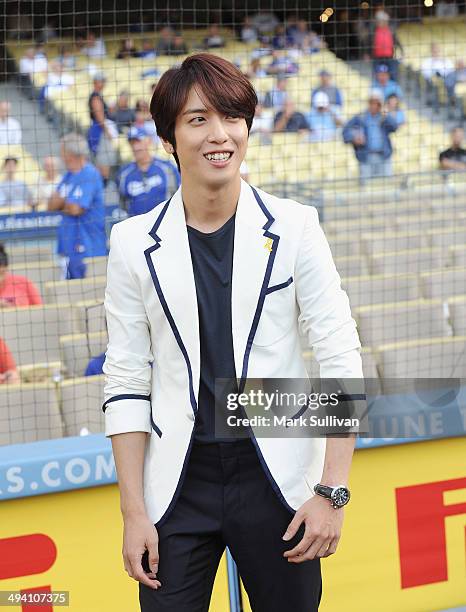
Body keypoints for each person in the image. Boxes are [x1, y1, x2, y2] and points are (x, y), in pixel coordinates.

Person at [103, 53, 363, 612]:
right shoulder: (130, 243)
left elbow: (339, 352)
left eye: (232, 117)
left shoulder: (296, 227)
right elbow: (125, 377)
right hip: (177, 482)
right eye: (198, 119)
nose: (219, 135)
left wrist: (331, 491)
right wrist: (133, 513)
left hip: (278, 478)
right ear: (169, 139)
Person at [48, 133, 108, 279]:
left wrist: (62, 203)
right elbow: (50, 205)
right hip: (69, 247)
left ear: (70, 154)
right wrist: (66, 203)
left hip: (89, 247)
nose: (61, 155)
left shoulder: (90, 174)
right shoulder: (68, 176)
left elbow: (76, 209)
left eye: (62, 151)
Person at [117, 126, 180, 217]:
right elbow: (123, 204)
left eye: (139, 142)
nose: (136, 147)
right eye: (132, 143)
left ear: (149, 141)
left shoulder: (167, 168)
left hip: (167, 222)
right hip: (138, 226)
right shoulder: (124, 174)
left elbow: (179, 195)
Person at [342, 89, 398, 181]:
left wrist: (385, 113)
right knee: (367, 190)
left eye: (377, 102)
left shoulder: (384, 117)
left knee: (386, 187)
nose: (374, 105)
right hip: (366, 158)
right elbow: (345, 132)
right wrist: (354, 138)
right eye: (372, 102)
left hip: (384, 157)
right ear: (368, 102)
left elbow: (394, 127)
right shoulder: (360, 117)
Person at [87, 73, 118, 181]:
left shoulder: (98, 95)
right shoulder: (95, 97)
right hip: (99, 132)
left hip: (99, 130)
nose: (104, 84)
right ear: (96, 82)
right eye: (102, 81)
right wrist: (107, 131)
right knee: (103, 161)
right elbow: (99, 117)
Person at [369, 10, 403, 81]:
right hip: (377, 57)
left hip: (389, 57)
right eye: (380, 21)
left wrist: (402, 51)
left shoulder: (391, 30)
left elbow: (397, 41)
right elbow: (368, 42)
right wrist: (367, 54)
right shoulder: (374, 31)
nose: (384, 22)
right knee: (377, 75)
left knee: (393, 75)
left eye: (384, 21)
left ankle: (393, 89)